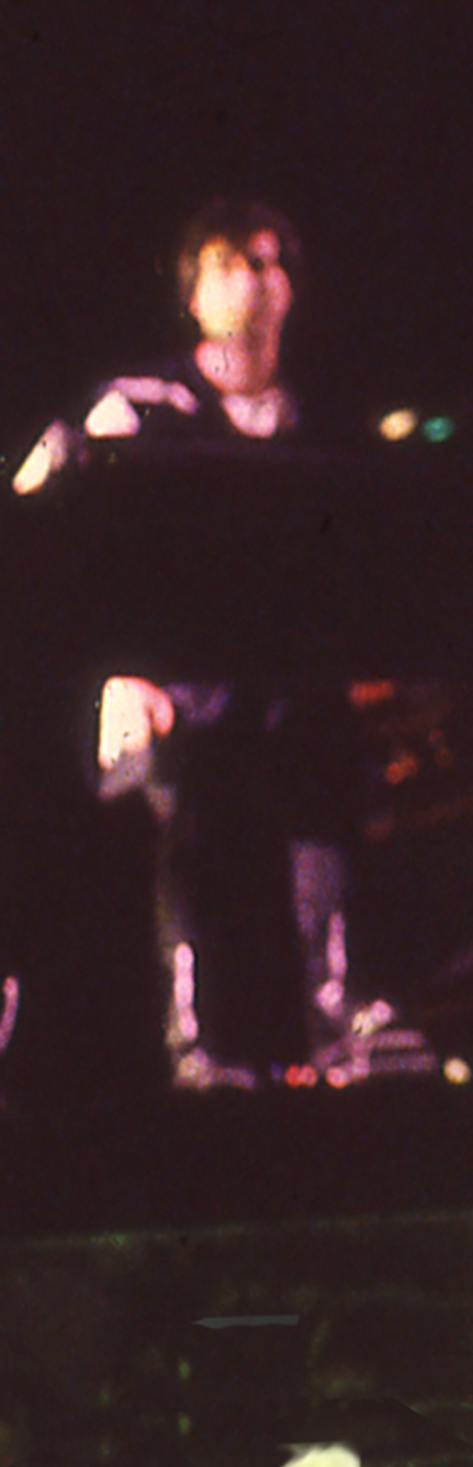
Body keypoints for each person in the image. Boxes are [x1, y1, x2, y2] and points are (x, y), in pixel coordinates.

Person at [13, 200, 383, 1089]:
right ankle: (191, 1048)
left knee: (322, 793)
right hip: (179, 705)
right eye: (229, 264)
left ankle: (333, 1041)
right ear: (193, 294)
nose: (252, 281)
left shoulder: (321, 429)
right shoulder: (145, 408)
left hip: (292, 705)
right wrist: (118, 672)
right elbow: (40, 494)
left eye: (268, 262)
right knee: (187, 820)